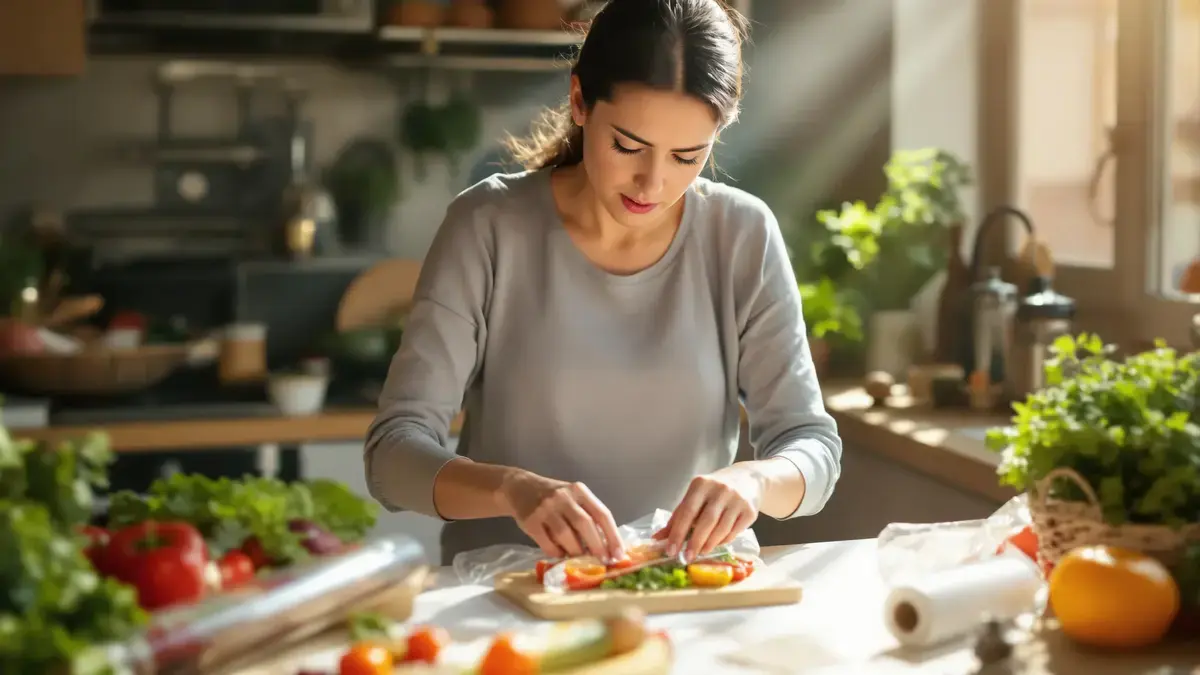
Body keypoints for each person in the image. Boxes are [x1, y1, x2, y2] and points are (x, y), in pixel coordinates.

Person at [364, 0, 843, 567]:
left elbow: (813, 448)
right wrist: (511, 489)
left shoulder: (742, 233)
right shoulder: (489, 225)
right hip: (510, 599)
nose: (653, 182)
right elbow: (391, 457)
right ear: (578, 102)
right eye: (628, 147)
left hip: (689, 592)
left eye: (688, 155)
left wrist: (756, 481)